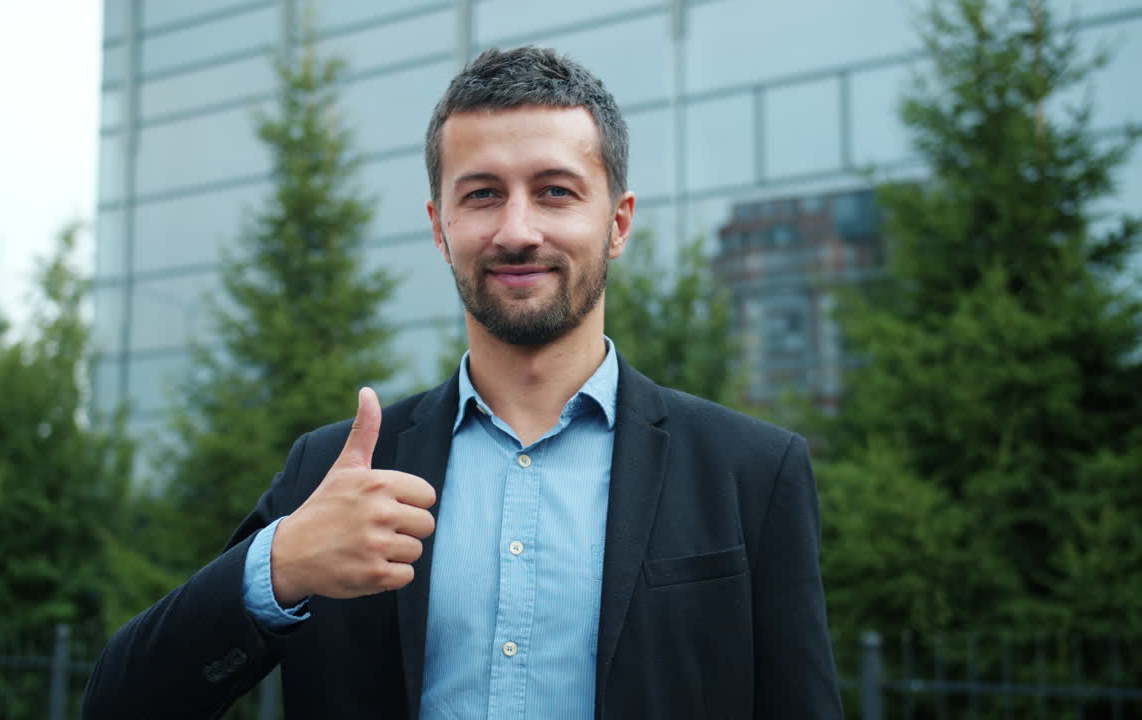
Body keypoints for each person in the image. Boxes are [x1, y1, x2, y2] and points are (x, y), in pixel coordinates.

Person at [83, 46, 842, 719]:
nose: (516, 230)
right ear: (440, 226)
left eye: (555, 191)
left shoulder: (748, 473)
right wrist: (279, 566)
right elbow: (121, 702)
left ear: (617, 222)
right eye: (481, 194)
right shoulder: (336, 476)